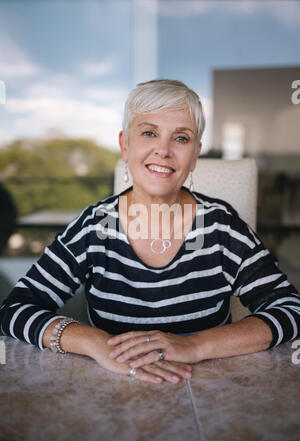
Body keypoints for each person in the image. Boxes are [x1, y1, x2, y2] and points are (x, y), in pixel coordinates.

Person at [1, 79, 299, 384]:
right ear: (125, 146)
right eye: (148, 133)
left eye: (181, 138)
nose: (164, 150)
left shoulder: (222, 227)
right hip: (115, 394)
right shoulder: (94, 227)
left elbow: (290, 309)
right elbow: (14, 309)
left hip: (209, 392)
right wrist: (94, 343)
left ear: (194, 156)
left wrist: (195, 345)